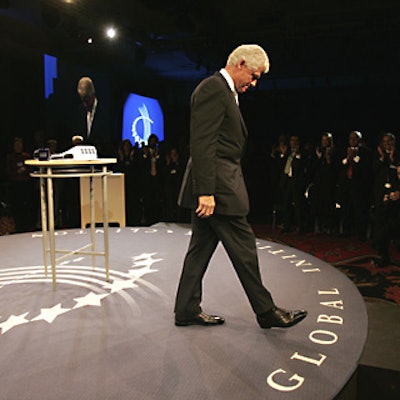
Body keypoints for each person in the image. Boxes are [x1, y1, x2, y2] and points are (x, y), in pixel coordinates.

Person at [174, 44, 307, 329]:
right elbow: (202, 143)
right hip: (218, 189)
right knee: (244, 248)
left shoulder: (225, 92)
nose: (254, 83)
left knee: (199, 249)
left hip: (218, 184)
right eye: (254, 76)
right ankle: (266, 311)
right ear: (241, 63)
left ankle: (185, 308)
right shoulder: (213, 89)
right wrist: (206, 191)